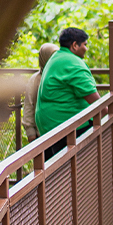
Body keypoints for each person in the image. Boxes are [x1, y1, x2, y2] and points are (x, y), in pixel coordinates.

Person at [35, 27, 98, 159]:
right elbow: (96, 102)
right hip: (63, 126)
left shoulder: (57, 57)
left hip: (49, 126)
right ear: (75, 45)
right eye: (85, 45)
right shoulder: (72, 62)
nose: (86, 49)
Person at [21, 42, 59, 144]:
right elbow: (29, 106)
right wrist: (30, 132)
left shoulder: (61, 76)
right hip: (41, 134)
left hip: (61, 132)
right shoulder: (35, 80)